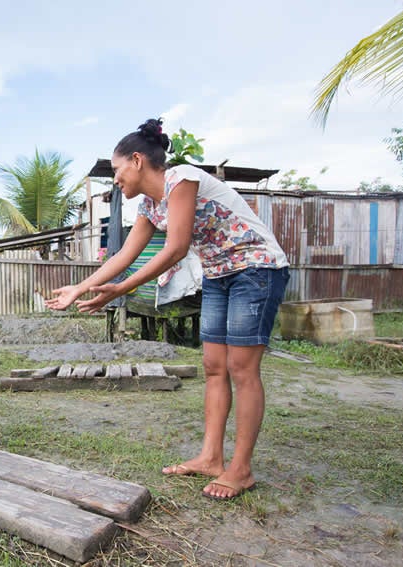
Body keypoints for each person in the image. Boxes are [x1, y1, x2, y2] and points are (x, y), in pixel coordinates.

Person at [46, 118, 289, 500]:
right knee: (213, 366)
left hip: (255, 268)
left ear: (138, 160)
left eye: (117, 169)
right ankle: (211, 457)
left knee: (242, 368)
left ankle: (240, 469)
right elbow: (125, 254)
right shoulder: (148, 205)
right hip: (218, 273)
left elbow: (175, 248)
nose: (116, 179)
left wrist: (120, 290)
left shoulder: (182, 179)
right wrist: (81, 287)